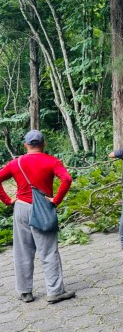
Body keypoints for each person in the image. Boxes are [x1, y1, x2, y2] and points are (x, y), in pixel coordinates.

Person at [0, 130, 75, 303]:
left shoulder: (15, 163)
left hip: (21, 208)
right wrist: (56, 200)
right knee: (48, 250)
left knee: (22, 250)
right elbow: (67, 179)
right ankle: (54, 291)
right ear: (43, 144)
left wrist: (7, 200)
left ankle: (25, 291)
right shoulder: (52, 161)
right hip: (42, 208)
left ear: (26, 145)